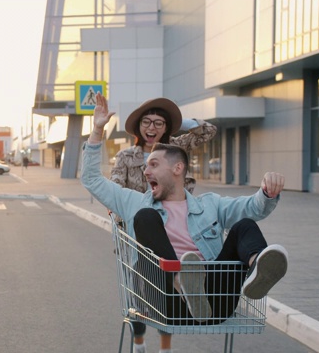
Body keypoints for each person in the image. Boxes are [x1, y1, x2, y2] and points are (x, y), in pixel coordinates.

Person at [82, 94, 288, 353]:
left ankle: (257, 268)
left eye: (153, 165)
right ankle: (181, 278)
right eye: (145, 166)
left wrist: (268, 191)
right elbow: (91, 179)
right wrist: (97, 129)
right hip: (166, 301)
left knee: (244, 225)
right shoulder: (135, 203)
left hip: (215, 303)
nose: (146, 172)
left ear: (177, 168)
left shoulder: (210, 205)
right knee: (146, 217)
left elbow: (252, 207)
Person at [108, 95, 216, 351]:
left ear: (167, 128)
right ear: (138, 127)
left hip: (174, 231)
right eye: (146, 122)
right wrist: (114, 208)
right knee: (139, 292)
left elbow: (209, 130)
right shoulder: (126, 157)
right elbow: (113, 187)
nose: (152, 128)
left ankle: (165, 346)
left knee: (169, 288)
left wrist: (179, 123)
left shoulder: (176, 149)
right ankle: (139, 341)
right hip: (137, 232)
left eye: (159, 123)